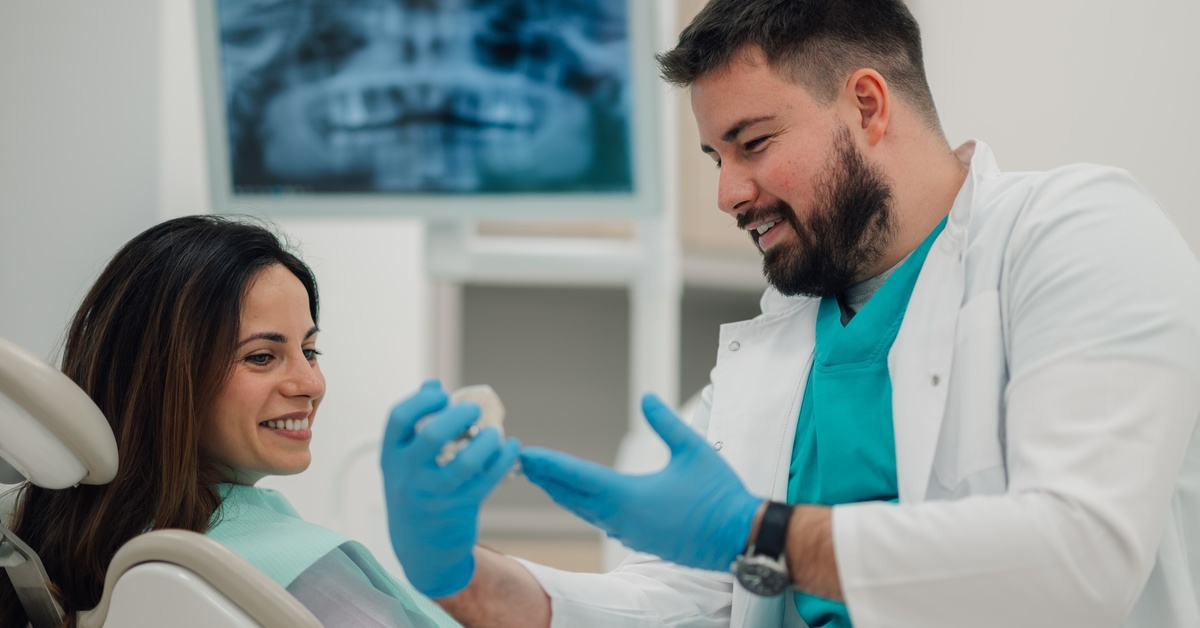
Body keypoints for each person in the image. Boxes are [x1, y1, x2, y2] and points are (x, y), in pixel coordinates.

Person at [381, 0, 1200, 626]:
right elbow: (688, 602)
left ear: (868, 105)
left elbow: (1082, 556)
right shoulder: (786, 333)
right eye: (716, 156)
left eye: (753, 142)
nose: (727, 192)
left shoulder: (1076, 232)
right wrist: (463, 578)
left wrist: (762, 534)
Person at [0, 215, 464, 627]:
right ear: (165, 379)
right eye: (261, 357)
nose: (311, 383)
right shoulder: (292, 571)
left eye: (309, 351)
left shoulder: (46, 546)